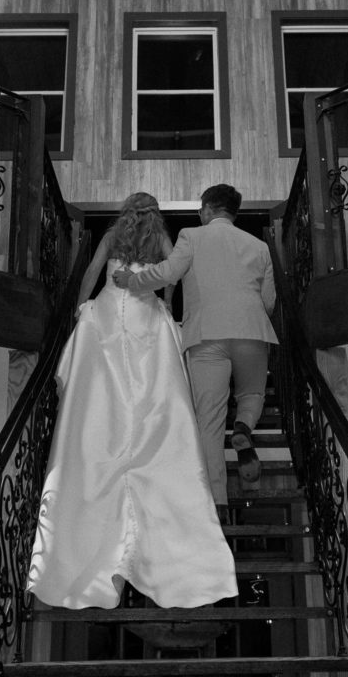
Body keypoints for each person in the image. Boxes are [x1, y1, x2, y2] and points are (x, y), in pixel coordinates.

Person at [27, 192, 237, 610]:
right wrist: (166, 303)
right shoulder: (162, 236)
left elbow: (89, 272)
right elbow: (172, 276)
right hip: (145, 310)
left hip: (108, 311)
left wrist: (81, 305)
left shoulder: (111, 235)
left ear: (125, 210)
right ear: (154, 212)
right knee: (151, 390)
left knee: (103, 389)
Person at [114, 184, 278, 523]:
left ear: (205, 210)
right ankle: (245, 425)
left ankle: (216, 501)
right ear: (235, 212)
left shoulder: (192, 236)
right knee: (252, 393)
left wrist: (132, 280)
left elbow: (167, 273)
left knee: (210, 422)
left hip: (206, 337)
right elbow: (269, 300)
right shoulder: (259, 246)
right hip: (252, 332)